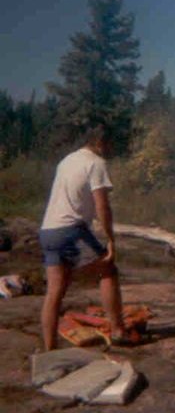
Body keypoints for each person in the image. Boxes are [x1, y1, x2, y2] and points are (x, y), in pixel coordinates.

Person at [39, 123, 128, 350]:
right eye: (110, 144)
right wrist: (110, 239)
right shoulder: (96, 163)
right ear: (100, 142)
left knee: (54, 291)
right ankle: (118, 331)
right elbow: (102, 206)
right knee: (107, 269)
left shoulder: (67, 160)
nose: (112, 148)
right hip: (70, 230)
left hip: (48, 230)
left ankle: (50, 349)